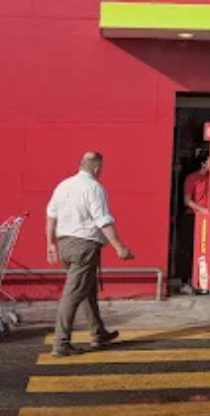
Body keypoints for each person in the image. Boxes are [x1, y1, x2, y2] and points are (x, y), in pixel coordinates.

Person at [45, 151, 134, 358]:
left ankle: (98, 332)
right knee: (73, 294)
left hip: (65, 244)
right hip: (84, 246)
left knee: (87, 290)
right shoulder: (94, 188)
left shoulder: (63, 186)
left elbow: (51, 215)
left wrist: (50, 243)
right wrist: (119, 247)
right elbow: (103, 220)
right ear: (96, 168)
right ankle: (61, 343)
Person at [178, 151, 210, 288]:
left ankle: (200, 279)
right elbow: (187, 201)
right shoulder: (192, 178)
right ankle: (185, 281)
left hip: (208, 219)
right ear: (203, 163)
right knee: (188, 249)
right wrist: (203, 210)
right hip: (192, 217)